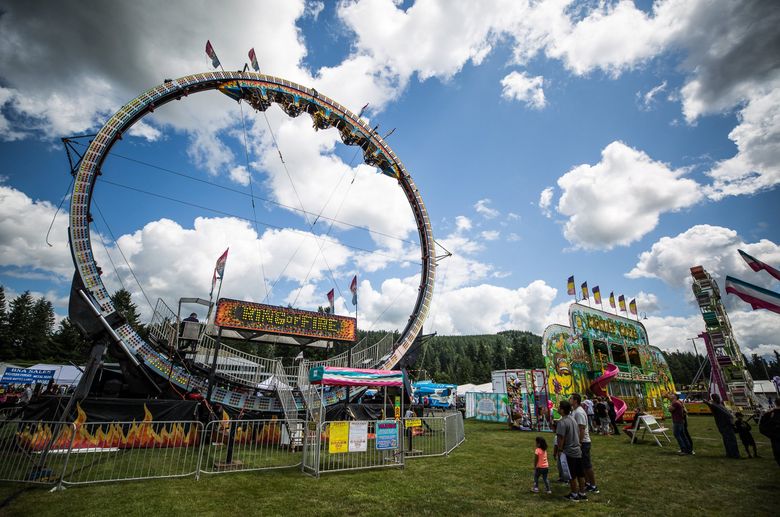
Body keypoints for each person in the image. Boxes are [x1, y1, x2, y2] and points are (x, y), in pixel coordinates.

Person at [554, 400, 587, 502]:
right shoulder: (572, 419)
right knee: (580, 474)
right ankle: (582, 493)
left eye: (559, 407)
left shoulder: (562, 422)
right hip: (577, 450)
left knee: (571, 475)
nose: (558, 409)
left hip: (569, 451)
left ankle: (574, 494)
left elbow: (561, 438)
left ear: (563, 410)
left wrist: (559, 450)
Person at [570, 393, 599, 494]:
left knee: (587, 465)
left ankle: (594, 485)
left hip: (584, 442)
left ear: (575, 401)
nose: (569, 399)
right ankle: (587, 483)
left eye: (571, 398)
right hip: (580, 441)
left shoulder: (579, 412)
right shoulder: (575, 411)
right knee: (582, 464)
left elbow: (581, 429)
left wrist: (579, 442)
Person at [704, 393, 740, 459]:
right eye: (716, 397)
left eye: (718, 397)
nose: (718, 398)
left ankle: (730, 454)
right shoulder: (714, 405)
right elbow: (712, 405)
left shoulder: (719, 404)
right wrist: (706, 402)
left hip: (727, 425)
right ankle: (734, 454)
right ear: (714, 399)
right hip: (724, 425)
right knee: (730, 440)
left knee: (728, 440)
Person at [758, 398, 780, 467]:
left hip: (775, 438)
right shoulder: (770, 414)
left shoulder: (769, 414)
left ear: (775, 403)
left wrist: (771, 435)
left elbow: (762, 428)